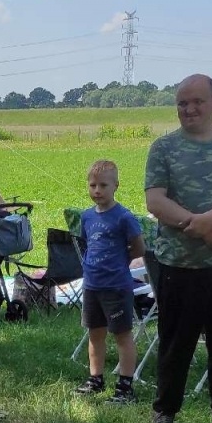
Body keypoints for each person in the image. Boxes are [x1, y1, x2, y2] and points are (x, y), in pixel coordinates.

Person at [143, 74, 212, 423]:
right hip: (178, 262)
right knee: (176, 342)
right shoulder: (163, 148)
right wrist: (197, 225)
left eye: (197, 102)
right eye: (182, 103)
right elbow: (155, 200)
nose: (189, 109)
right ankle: (165, 412)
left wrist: (208, 220)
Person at [74, 159, 144, 403]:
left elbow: (138, 247)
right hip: (92, 284)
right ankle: (96, 379)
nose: (97, 190)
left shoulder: (124, 217)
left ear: (116, 186)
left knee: (122, 335)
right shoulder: (86, 217)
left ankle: (125, 386)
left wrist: (121, 260)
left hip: (116, 286)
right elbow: (87, 243)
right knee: (95, 334)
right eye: (92, 185)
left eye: (103, 185)